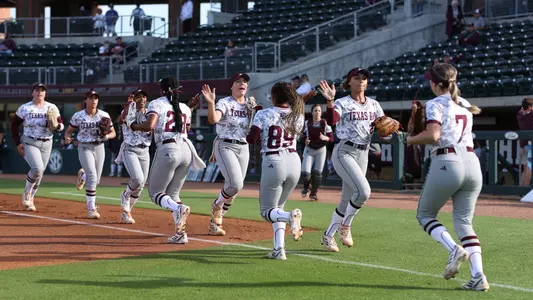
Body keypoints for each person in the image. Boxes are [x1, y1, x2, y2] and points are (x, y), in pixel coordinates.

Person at [407, 63, 489, 291]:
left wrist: (410, 139)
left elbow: (433, 135)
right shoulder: (464, 104)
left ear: (434, 83)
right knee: (464, 222)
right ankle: (478, 276)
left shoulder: (436, 103)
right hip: (472, 163)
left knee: (425, 215)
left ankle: (453, 249)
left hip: (448, 161)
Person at [130, 77, 205, 244]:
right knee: (173, 194)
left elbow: (149, 125)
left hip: (168, 148)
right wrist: (190, 108)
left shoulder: (157, 103)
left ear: (162, 89)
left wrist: (134, 126)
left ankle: (178, 208)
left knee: (155, 193)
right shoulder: (185, 107)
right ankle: (180, 234)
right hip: (186, 149)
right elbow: (187, 128)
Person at [318, 68, 385, 253]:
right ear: (349, 82)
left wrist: (387, 129)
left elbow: (382, 127)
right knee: (364, 191)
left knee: (347, 200)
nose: (361, 81)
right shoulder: (342, 102)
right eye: (357, 78)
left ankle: (328, 236)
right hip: (344, 151)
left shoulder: (374, 104)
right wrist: (330, 101)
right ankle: (346, 225)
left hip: (363, 153)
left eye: (364, 78)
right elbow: (332, 120)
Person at [246, 81, 305, 260]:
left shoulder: (264, 114)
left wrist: (255, 115)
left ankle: (290, 217)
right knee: (277, 207)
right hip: (294, 161)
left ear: (274, 96)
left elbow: (251, 139)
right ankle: (279, 249)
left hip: (274, 160)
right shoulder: (298, 115)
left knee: (267, 211)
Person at [202, 73, 256, 236]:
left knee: (234, 189)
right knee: (235, 184)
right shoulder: (224, 102)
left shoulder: (250, 104)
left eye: (245, 82)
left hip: (243, 146)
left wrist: (255, 111)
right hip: (225, 144)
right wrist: (211, 103)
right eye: (238, 81)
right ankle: (217, 204)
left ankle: (215, 223)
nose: (242, 84)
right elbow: (213, 119)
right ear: (231, 86)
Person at [10, 83, 64, 211]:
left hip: (47, 142)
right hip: (30, 141)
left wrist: (56, 126)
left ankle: (31, 199)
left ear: (45, 93)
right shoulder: (25, 108)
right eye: (37, 90)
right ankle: (27, 193)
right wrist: (18, 143)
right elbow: (14, 125)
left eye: (42, 90)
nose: (40, 92)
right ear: (32, 92)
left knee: (40, 173)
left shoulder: (51, 107)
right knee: (37, 168)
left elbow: (61, 125)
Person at [64, 91, 116, 219]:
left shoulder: (104, 115)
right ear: (85, 100)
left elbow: (113, 132)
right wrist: (67, 137)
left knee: (96, 180)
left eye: (96, 98)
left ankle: (83, 175)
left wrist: (106, 137)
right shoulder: (78, 115)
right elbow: (69, 131)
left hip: (99, 147)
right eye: (91, 98)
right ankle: (91, 208)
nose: (93, 101)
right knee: (92, 177)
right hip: (84, 146)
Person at [116, 89, 152, 224]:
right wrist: (127, 105)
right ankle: (125, 195)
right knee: (137, 179)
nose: (141, 99)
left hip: (145, 150)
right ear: (133, 99)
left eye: (143, 96)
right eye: (138, 97)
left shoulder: (150, 113)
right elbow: (121, 120)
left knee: (141, 185)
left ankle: (127, 212)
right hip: (130, 148)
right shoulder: (128, 111)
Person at [300, 104, 333, 201]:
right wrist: (305, 140)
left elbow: (332, 138)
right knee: (306, 173)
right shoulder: (307, 123)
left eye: (319, 111)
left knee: (317, 173)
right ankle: (306, 187)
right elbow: (303, 136)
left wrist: (325, 138)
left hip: (321, 149)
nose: (317, 112)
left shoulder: (325, 123)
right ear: (312, 112)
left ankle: (313, 194)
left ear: (321, 112)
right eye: (315, 110)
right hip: (309, 149)